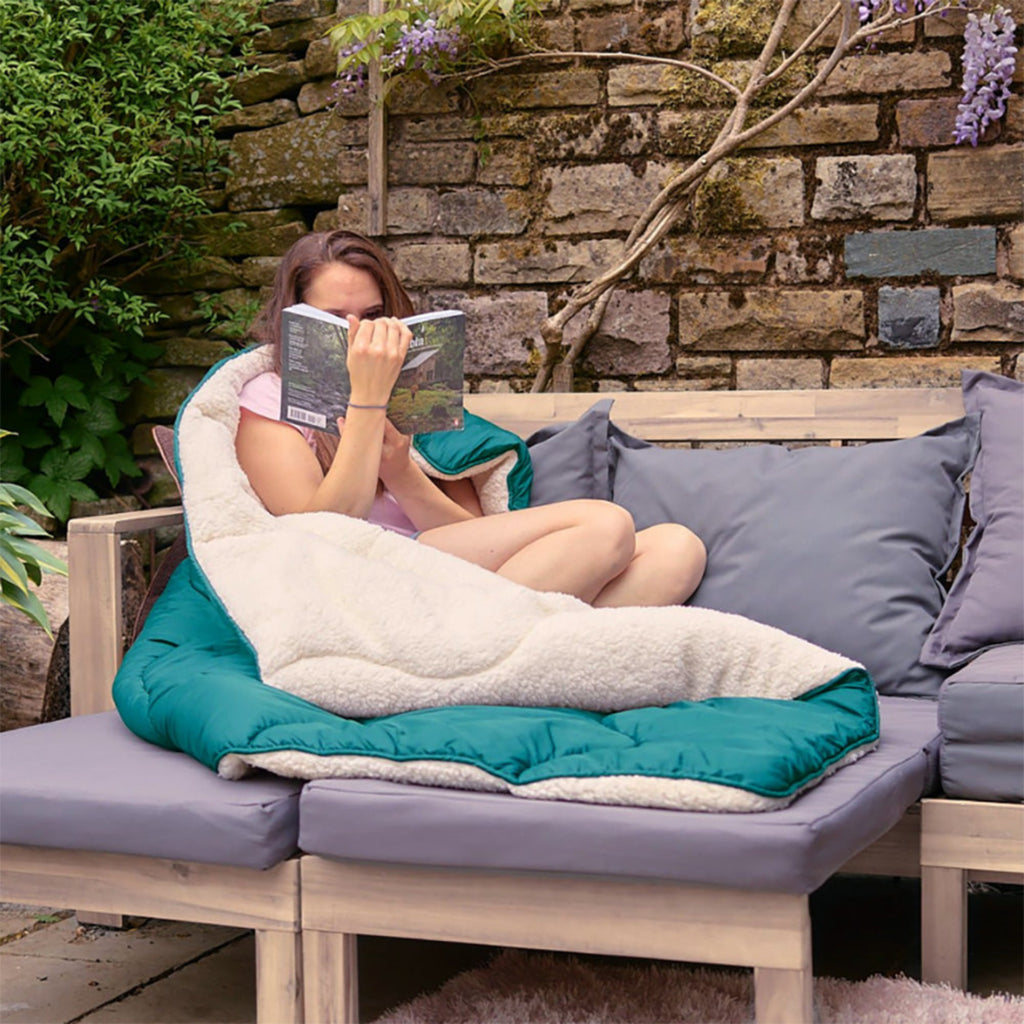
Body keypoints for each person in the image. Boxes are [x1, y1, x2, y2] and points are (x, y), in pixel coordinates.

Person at [236, 229, 706, 608]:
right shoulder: (268, 398)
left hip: (455, 580)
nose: (365, 336)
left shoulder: (419, 391)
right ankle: (499, 651)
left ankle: (511, 664)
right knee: (605, 526)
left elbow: (473, 531)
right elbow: (322, 538)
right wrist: (366, 402)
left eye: (376, 315)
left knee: (676, 550)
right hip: (371, 585)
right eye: (338, 320)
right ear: (298, 323)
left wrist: (399, 471)